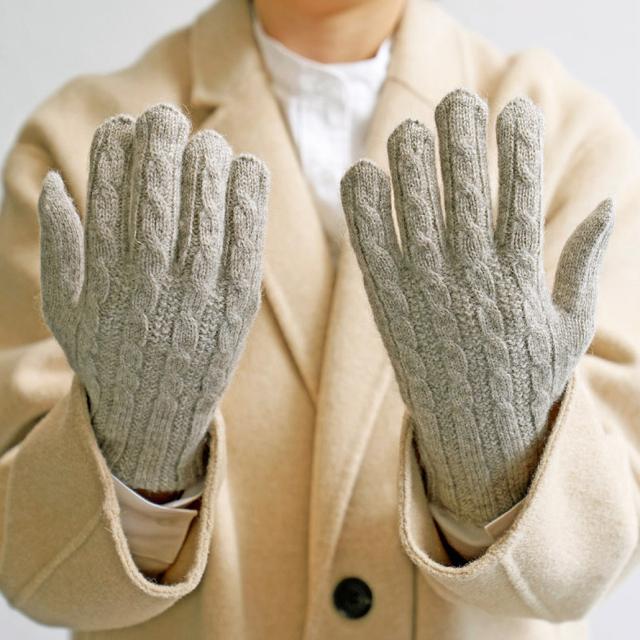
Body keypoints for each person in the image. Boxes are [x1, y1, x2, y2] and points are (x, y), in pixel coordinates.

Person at [0, 0, 638, 638]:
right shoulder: (87, 141)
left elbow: (593, 565)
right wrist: (137, 455)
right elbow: (33, 572)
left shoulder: (564, 134)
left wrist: (495, 458)